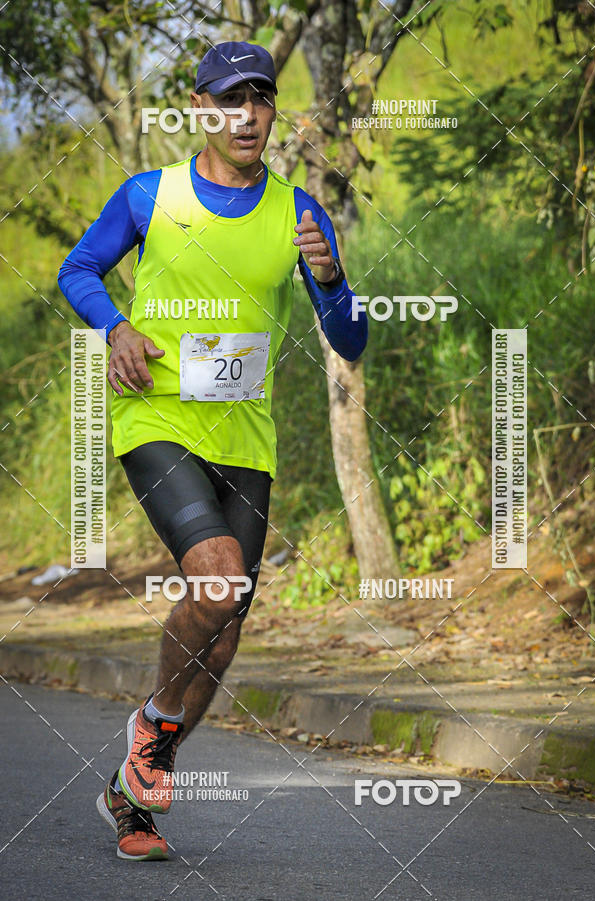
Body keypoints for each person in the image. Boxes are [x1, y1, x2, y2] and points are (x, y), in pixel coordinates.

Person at [59, 40, 367, 861]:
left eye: (262, 99)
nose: (248, 115)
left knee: (223, 630)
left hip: (246, 444)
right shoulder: (147, 196)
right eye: (232, 99)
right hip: (156, 419)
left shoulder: (301, 212)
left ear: (272, 112)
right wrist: (115, 326)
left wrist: (332, 282)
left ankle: (132, 794)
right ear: (201, 107)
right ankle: (154, 728)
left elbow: (351, 339)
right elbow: (78, 268)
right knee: (219, 572)